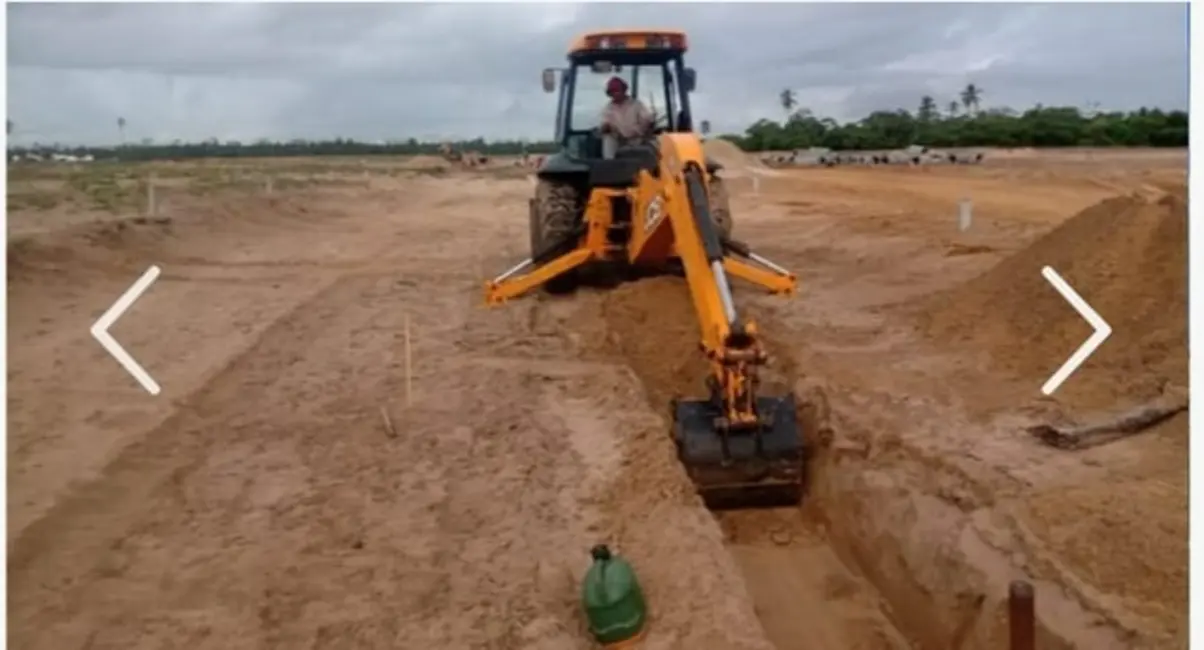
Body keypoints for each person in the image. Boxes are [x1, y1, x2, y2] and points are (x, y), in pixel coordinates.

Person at [598, 76, 654, 148]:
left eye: (617, 90)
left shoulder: (636, 105)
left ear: (624, 90)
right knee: (608, 139)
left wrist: (635, 132)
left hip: (636, 141)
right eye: (612, 92)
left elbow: (647, 121)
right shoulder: (608, 109)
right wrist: (606, 128)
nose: (615, 94)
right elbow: (605, 124)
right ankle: (609, 159)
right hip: (617, 141)